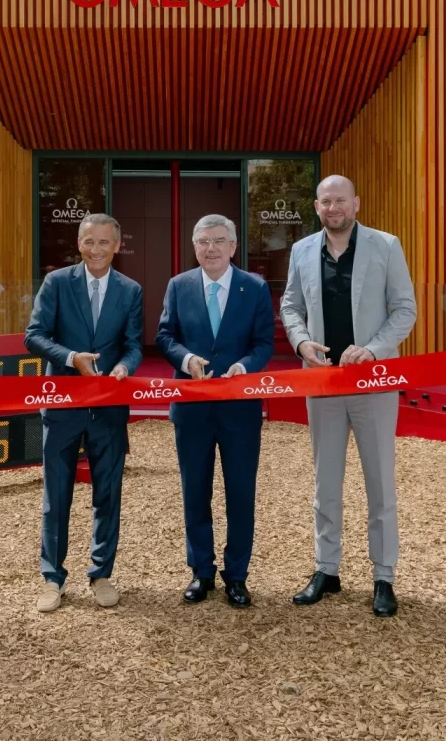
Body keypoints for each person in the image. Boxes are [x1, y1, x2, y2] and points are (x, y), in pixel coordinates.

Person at [280, 175, 418, 617]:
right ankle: (327, 569)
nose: (333, 207)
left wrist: (374, 349)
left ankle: (384, 576)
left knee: (380, 483)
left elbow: (405, 309)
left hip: (373, 382)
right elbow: (290, 306)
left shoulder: (386, 245)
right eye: (325, 201)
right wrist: (302, 344)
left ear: (356, 202)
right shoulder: (302, 250)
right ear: (316, 206)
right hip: (321, 382)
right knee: (326, 483)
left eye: (340, 200)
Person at [24, 213, 143, 613]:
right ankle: (52, 578)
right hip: (62, 405)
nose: (96, 250)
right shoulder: (57, 283)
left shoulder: (130, 290)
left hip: (108, 408)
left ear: (117, 245)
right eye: (89, 242)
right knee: (56, 497)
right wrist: (71, 357)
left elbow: (134, 345)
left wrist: (126, 366)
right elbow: (34, 336)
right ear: (79, 243)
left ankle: (101, 573)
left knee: (107, 494)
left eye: (104, 243)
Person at [155, 214, 275, 608]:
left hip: (239, 410)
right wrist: (186, 357)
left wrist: (246, 367)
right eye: (204, 241)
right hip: (192, 409)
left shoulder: (254, 287)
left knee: (241, 494)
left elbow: (263, 343)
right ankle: (201, 572)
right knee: (195, 493)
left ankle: (237, 576)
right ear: (195, 247)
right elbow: (165, 336)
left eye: (219, 241)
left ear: (233, 246)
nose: (211, 248)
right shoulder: (179, 286)